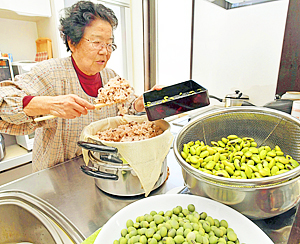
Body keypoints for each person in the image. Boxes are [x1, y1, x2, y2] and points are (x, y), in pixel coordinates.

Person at [0, 1, 155, 172]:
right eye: (96, 42)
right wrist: (51, 105)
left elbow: (126, 109)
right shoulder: (51, 73)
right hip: (56, 175)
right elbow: (4, 100)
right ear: (72, 42)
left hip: (99, 168)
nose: (105, 51)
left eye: (109, 44)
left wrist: (139, 104)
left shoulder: (111, 76)